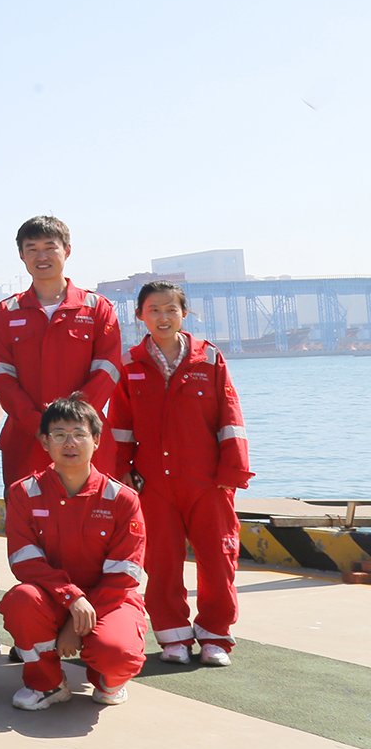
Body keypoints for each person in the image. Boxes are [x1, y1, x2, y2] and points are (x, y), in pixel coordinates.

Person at [109, 281, 248, 667]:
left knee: (218, 558)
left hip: (208, 480)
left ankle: (215, 636)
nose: (163, 317)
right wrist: (123, 475)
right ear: (140, 315)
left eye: (171, 309)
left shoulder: (210, 359)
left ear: (184, 313)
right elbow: (119, 428)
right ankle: (173, 637)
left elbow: (231, 419)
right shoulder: (129, 365)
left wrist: (232, 471)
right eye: (154, 310)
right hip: (153, 482)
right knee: (161, 561)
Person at [2, 395, 149, 710]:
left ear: (96, 440)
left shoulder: (122, 499)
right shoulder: (23, 493)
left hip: (110, 600)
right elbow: (26, 563)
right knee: (21, 600)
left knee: (116, 653)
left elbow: (124, 575)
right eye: (59, 434)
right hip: (51, 598)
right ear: (45, 442)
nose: (70, 443)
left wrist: (76, 621)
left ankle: (109, 681)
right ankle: (48, 683)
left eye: (80, 434)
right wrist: (72, 599)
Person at [0, 216, 123, 482]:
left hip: (86, 439)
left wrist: (70, 424)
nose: (42, 256)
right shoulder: (5, 313)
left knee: (93, 506)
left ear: (67, 250)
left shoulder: (97, 309)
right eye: (32, 249)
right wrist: (38, 426)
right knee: (27, 507)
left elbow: (107, 371)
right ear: (21, 255)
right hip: (27, 440)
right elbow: (2, 378)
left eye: (50, 247)